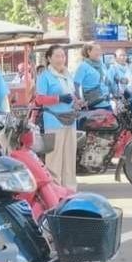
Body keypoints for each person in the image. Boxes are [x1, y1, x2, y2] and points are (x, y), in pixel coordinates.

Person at [35, 45, 79, 188]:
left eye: (63, 56)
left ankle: (70, 190)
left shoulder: (68, 74)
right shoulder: (44, 77)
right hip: (54, 121)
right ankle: (54, 191)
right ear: (49, 58)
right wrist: (58, 99)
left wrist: (77, 102)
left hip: (70, 120)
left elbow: (72, 95)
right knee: (54, 159)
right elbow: (39, 100)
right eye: (57, 56)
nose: (61, 59)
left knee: (70, 158)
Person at [74, 41, 112, 109]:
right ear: (89, 52)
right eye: (96, 50)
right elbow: (76, 84)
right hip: (94, 104)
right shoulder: (83, 66)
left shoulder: (101, 64)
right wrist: (79, 100)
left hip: (106, 102)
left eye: (100, 50)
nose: (99, 52)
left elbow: (105, 80)